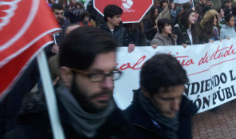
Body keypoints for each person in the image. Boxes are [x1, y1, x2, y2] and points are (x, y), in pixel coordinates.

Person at [5, 26, 135, 139]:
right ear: (66, 75)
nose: (108, 85)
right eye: (95, 74)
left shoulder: (122, 125)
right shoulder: (32, 130)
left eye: (111, 73)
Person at [124, 54, 198, 139]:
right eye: (166, 99)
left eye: (179, 96)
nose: (176, 107)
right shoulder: (125, 126)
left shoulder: (184, 108)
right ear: (146, 91)